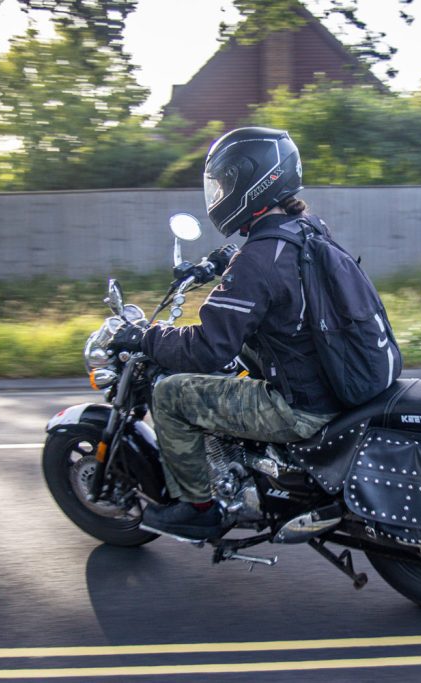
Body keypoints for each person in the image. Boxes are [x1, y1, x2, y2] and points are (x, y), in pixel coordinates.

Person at [111, 127, 344, 541]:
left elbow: (208, 349)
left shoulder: (258, 261)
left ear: (252, 184)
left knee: (171, 395)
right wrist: (219, 262)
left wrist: (147, 337)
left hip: (301, 404)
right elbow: (269, 259)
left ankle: (198, 508)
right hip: (329, 373)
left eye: (224, 186)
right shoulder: (306, 227)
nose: (217, 197)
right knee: (242, 362)